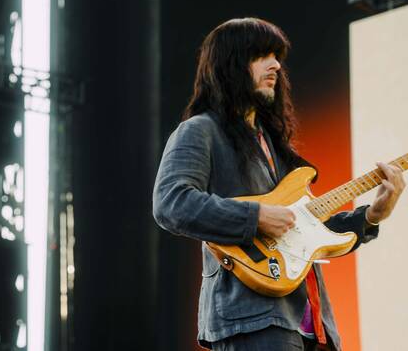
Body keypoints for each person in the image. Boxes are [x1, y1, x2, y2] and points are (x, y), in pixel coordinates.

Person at [152, 18, 405, 350]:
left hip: (313, 326)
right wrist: (256, 217)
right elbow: (171, 203)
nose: (275, 65)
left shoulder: (274, 148)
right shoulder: (200, 130)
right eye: (261, 55)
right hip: (251, 322)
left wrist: (372, 215)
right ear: (229, 65)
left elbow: (311, 231)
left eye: (277, 56)